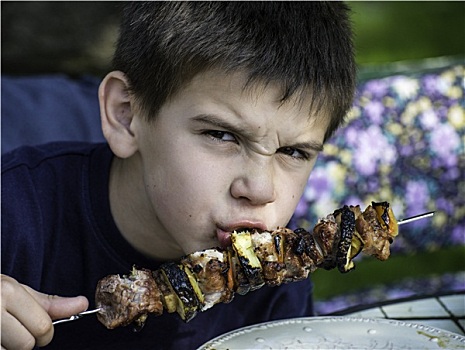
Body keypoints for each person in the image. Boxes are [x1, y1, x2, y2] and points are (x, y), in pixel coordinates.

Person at [1, 2, 356, 349]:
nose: (260, 190)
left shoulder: (277, 284)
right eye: (222, 135)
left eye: (293, 152)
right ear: (126, 115)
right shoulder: (14, 216)